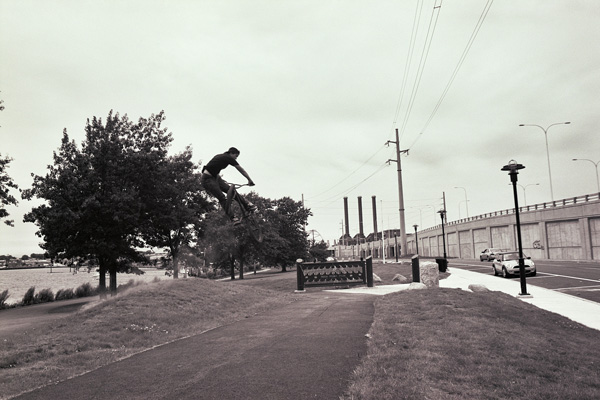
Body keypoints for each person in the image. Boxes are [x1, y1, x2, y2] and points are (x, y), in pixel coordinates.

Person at [201, 147, 256, 223]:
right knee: (222, 197)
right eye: (236, 156)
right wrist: (249, 180)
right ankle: (232, 218)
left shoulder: (222, 157)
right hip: (207, 179)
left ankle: (247, 205)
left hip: (215, 177)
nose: (236, 159)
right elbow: (241, 169)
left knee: (232, 191)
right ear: (231, 153)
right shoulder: (227, 157)